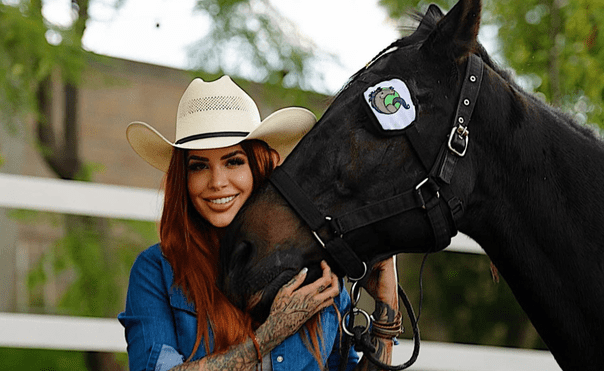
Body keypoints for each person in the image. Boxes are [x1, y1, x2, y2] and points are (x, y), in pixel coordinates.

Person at [119, 76, 401, 371]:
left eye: (233, 162)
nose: (217, 182)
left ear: (259, 167)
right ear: (184, 180)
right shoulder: (157, 271)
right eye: (199, 166)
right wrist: (269, 335)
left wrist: (386, 306)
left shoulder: (317, 267)